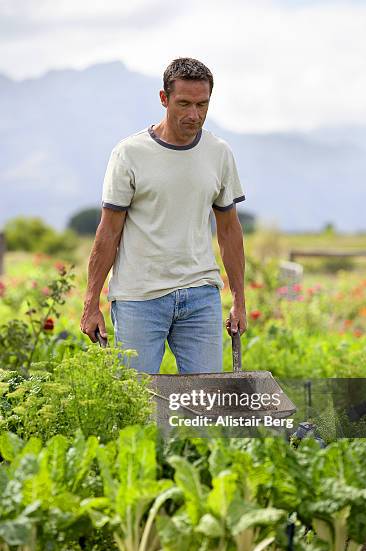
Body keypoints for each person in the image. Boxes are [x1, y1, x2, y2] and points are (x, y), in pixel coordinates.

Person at [80, 57, 247, 374]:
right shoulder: (129, 153)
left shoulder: (219, 152)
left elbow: (229, 231)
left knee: (205, 404)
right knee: (137, 405)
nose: (194, 115)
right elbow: (108, 233)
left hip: (201, 295)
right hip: (139, 298)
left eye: (202, 104)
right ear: (163, 98)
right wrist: (91, 303)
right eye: (184, 103)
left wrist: (239, 299)